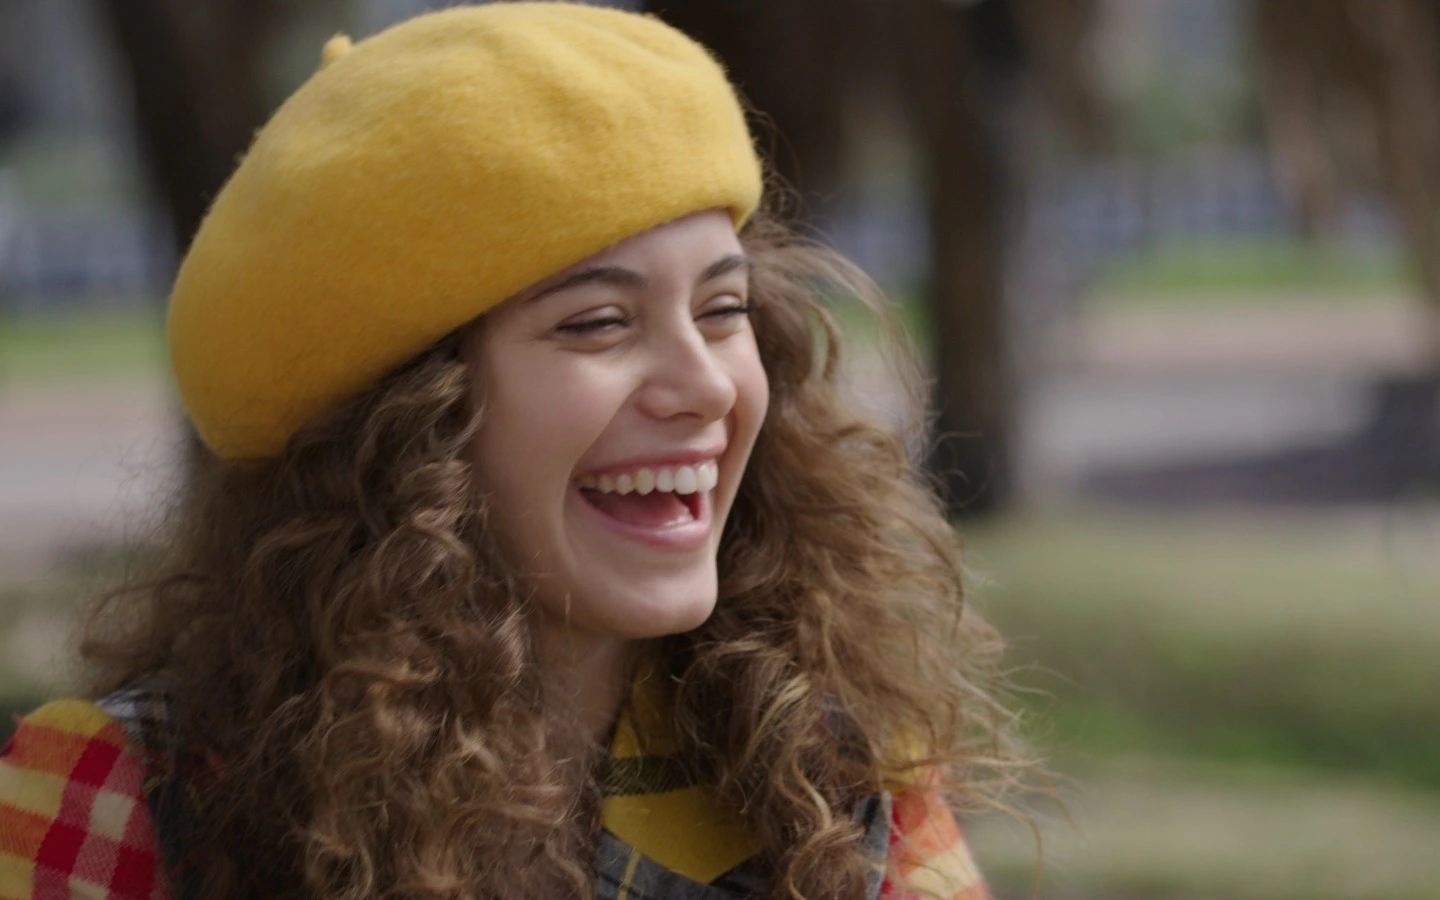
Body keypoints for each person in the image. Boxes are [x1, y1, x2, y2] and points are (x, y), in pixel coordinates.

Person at [0, 4, 1018, 898]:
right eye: (598, 323)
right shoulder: (129, 803)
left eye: (723, 309)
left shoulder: (837, 786)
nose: (708, 384)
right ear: (404, 420)